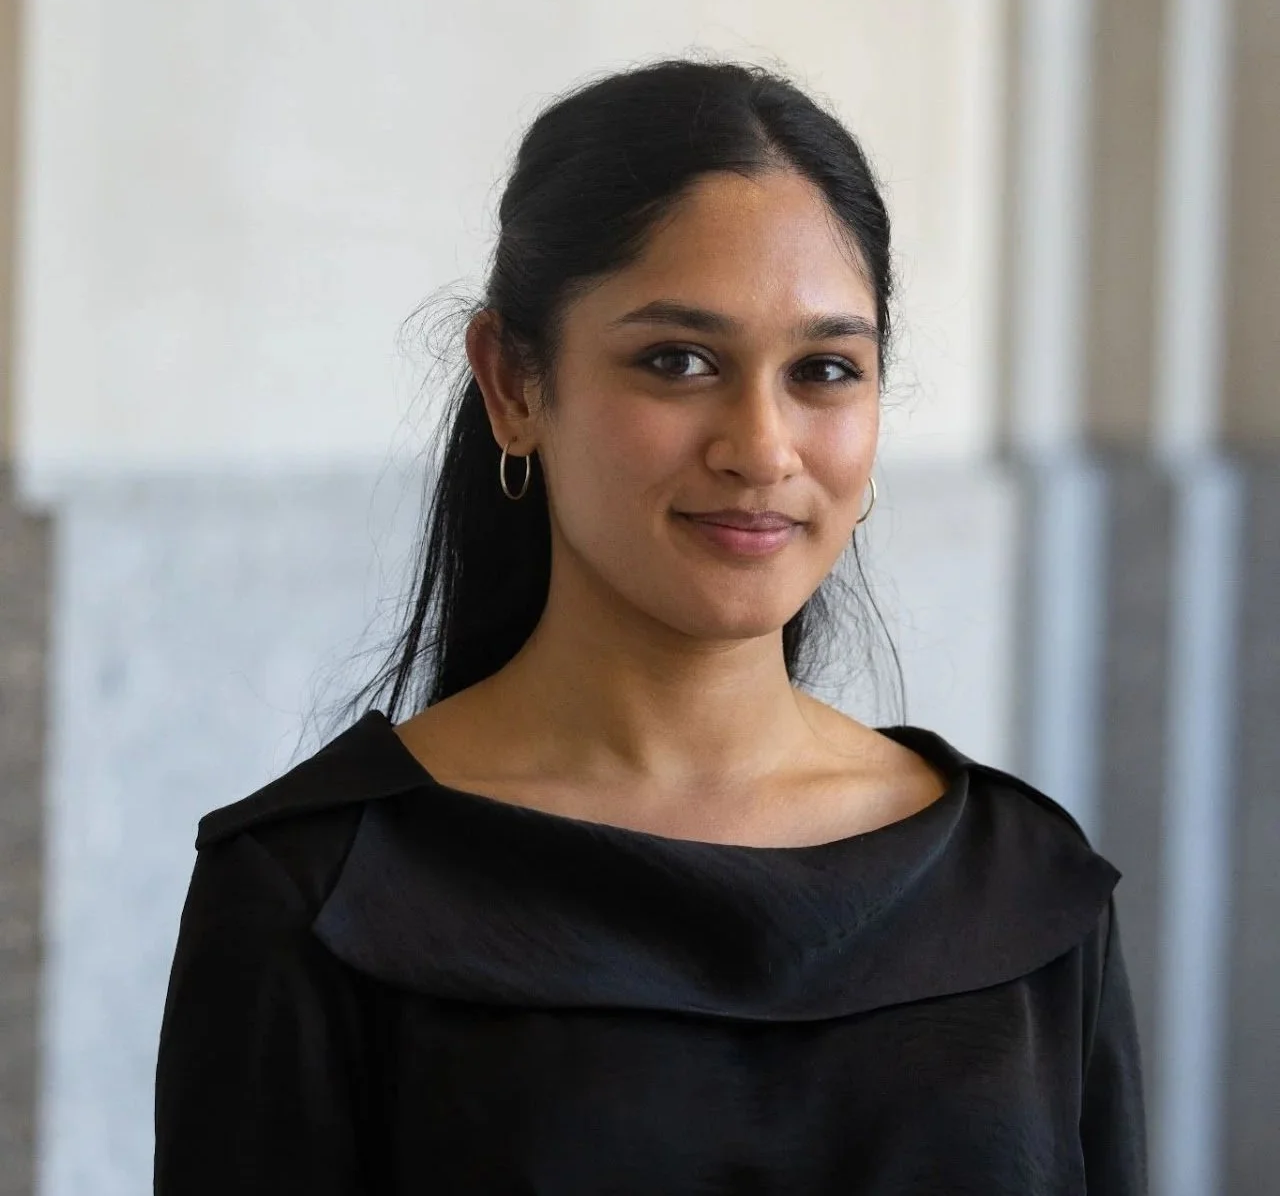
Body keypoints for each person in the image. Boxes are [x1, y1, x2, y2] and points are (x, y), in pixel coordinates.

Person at [153, 58, 1147, 1194]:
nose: (760, 447)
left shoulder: (1021, 888)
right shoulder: (316, 892)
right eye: (678, 361)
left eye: (825, 369)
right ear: (512, 385)